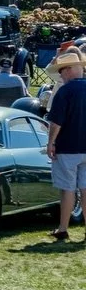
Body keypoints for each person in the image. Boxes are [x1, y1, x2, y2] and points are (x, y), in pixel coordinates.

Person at [46, 50, 86, 241]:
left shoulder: (65, 91)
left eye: (62, 71)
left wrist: (50, 142)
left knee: (67, 189)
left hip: (68, 147)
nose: (61, 75)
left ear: (69, 70)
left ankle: (63, 228)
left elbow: (56, 123)